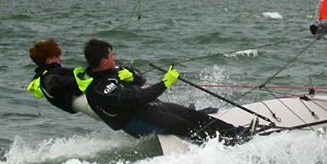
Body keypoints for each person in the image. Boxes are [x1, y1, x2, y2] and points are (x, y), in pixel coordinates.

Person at [82, 39, 246, 143]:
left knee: (196, 116)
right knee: (187, 127)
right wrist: (165, 83)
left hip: (152, 106)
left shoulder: (115, 70)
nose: (114, 58)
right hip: (135, 120)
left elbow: (141, 79)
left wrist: (133, 76)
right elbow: (137, 98)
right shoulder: (99, 89)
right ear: (103, 61)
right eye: (111, 56)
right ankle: (227, 144)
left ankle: (237, 132)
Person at [27, 39, 146, 115]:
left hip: (82, 100)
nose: (60, 59)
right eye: (57, 56)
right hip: (80, 102)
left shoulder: (49, 74)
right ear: (49, 59)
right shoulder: (48, 77)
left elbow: (76, 77)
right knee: (117, 107)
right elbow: (71, 81)